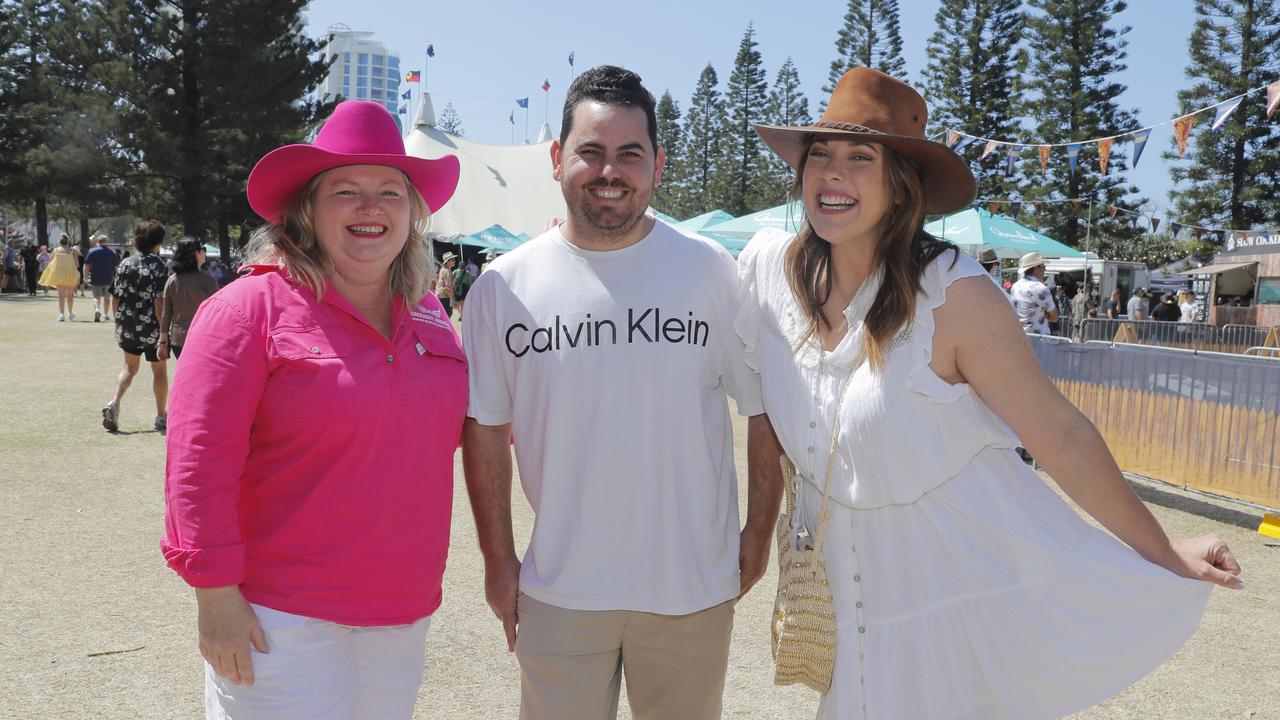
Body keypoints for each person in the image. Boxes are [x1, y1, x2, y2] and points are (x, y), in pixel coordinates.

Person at [740, 67, 1239, 720]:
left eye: (861, 158)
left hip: (953, 587)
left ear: (900, 185)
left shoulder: (953, 294)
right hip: (843, 592)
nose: (832, 175)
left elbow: (1059, 435)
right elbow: (755, 404)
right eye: (820, 156)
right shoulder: (766, 271)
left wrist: (1161, 548)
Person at [462, 65, 768, 720]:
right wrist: (498, 561)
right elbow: (484, 427)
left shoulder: (713, 271)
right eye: (591, 152)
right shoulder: (502, 287)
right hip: (560, 593)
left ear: (657, 163)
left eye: (630, 154)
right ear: (556, 157)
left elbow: (762, 410)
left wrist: (758, 532)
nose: (611, 171)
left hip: (691, 591)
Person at [161, 100, 463, 719]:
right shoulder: (247, 309)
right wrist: (215, 598)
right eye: (345, 191)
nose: (370, 208)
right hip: (280, 620)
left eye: (390, 191)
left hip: (400, 615)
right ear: (307, 210)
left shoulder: (432, 316)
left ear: (413, 212)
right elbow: (198, 464)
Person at [103, 221, 171, 433]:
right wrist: (163, 331)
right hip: (152, 327)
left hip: (128, 324)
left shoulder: (125, 264)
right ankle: (161, 416)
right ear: (158, 243)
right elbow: (159, 300)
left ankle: (114, 402)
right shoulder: (159, 266)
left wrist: (118, 320)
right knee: (159, 370)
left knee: (129, 368)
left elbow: (115, 297)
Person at [158, 236, 219, 360]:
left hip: (178, 340)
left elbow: (166, 314)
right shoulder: (208, 280)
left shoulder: (172, 280)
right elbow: (218, 313)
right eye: (203, 249)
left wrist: (162, 342)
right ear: (196, 253)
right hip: (202, 338)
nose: (204, 252)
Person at [1009, 252, 1058, 335]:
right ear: (1036, 268)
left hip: (1020, 336)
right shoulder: (1041, 289)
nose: (1045, 270)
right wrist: (1044, 313)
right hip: (1039, 340)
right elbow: (1054, 317)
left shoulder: (1015, 286)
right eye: (1044, 267)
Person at [38, 234, 81, 321]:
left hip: (59, 275)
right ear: (68, 241)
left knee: (61, 296)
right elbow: (77, 265)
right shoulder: (73, 251)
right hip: (70, 275)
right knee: (70, 295)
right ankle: (70, 313)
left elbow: (50, 262)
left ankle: (61, 314)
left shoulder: (55, 250)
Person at [84, 235, 121, 322]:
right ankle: (106, 315)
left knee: (96, 297)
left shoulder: (92, 251)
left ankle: (97, 310)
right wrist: (118, 278)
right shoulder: (112, 252)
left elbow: (86, 265)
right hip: (108, 278)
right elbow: (116, 266)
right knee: (107, 297)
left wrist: (85, 277)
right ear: (106, 242)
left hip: (96, 277)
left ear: (98, 241)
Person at [435, 251, 457, 317]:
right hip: (445, 298)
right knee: (447, 315)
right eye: (453, 260)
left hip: (440, 296)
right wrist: (452, 300)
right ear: (448, 262)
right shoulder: (448, 271)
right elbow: (448, 287)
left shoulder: (442, 269)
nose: (455, 261)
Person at [452, 254, 474, 319]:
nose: (462, 267)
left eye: (463, 266)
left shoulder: (467, 273)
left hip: (464, 289)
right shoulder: (455, 272)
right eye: (461, 266)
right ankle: (460, 314)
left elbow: (469, 283)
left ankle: (461, 316)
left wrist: (469, 290)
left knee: (462, 303)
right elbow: (452, 279)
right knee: (458, 303)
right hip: (458, 290)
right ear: (459, 266)